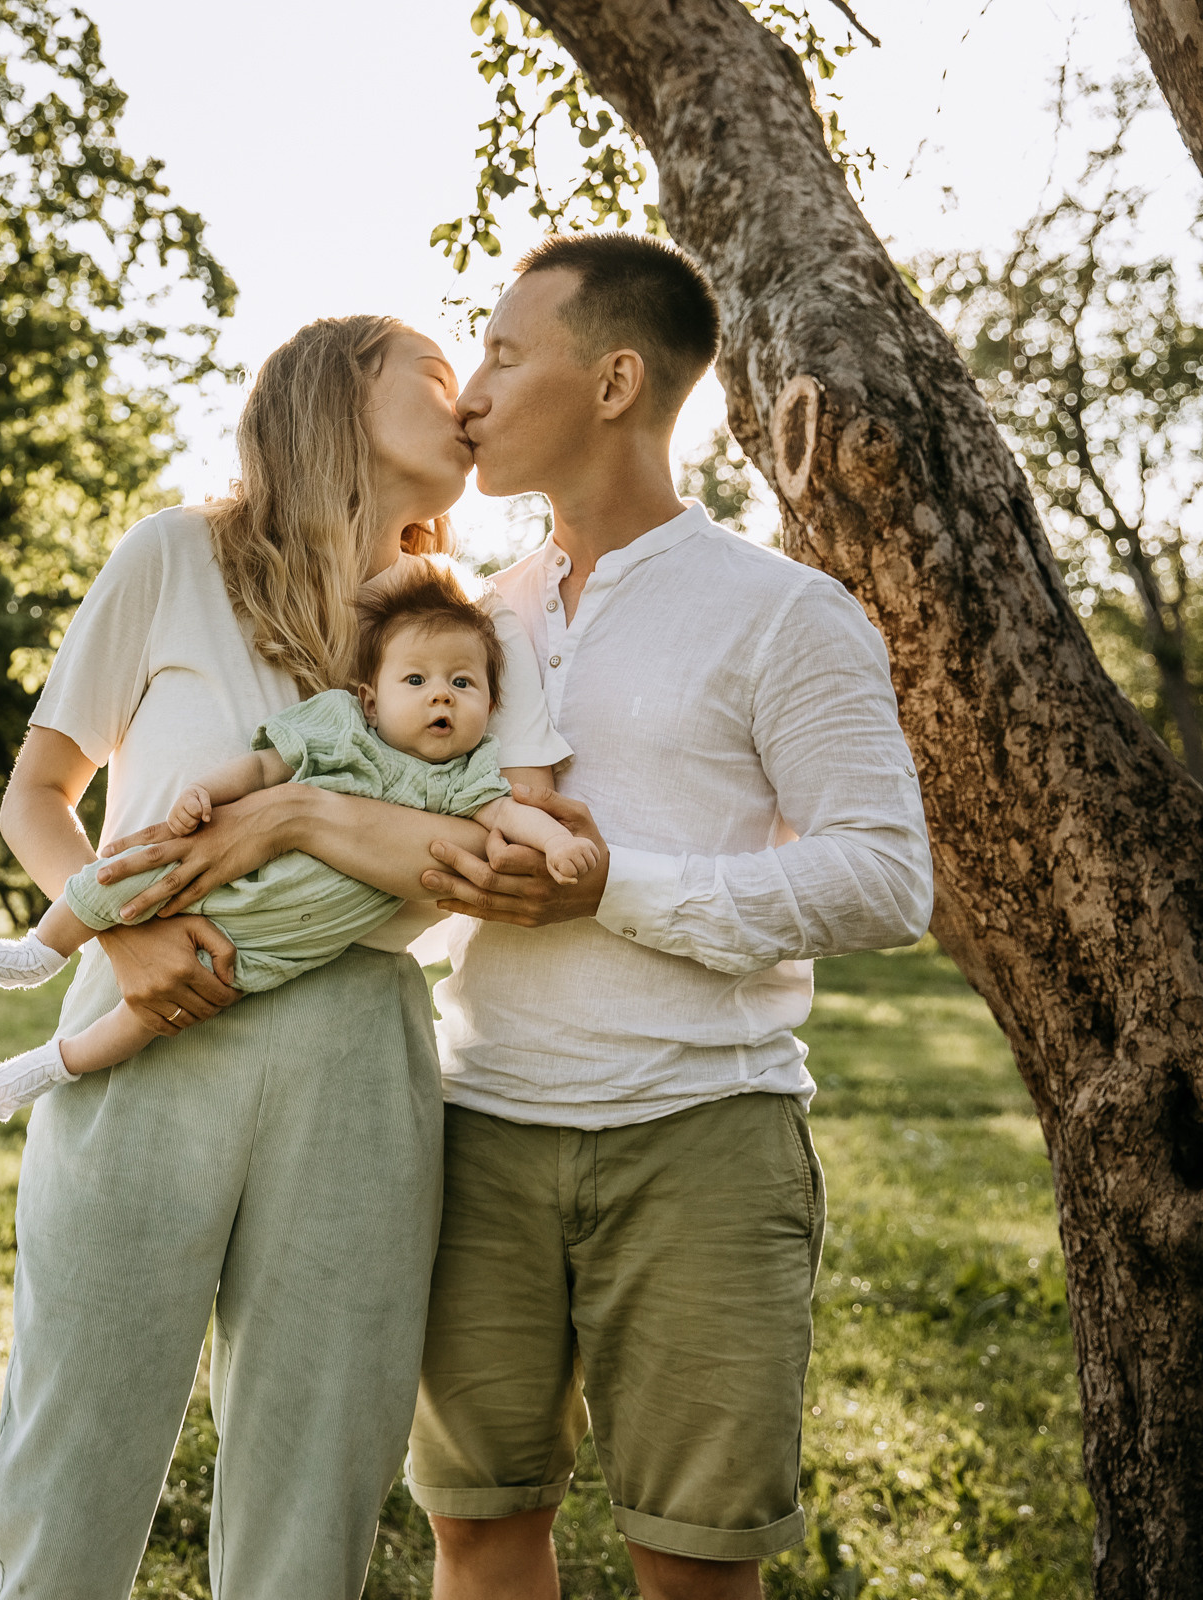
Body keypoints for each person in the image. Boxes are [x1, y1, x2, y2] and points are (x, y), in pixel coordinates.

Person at [96, 235, 934, 1600]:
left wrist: (617, 885)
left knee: (695, 1561)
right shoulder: (469, 621)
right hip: (477, 1133)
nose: (470, 392)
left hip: (703, 1135)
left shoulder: (783, 614)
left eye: (498, 353)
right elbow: (393, 836)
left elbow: (885, 878)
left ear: (612, 381)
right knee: (479, 1537)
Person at [0, 313, 569, 1600]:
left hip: (359, 1050)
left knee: (319, 1461)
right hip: (149, 1025)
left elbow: (471, 864)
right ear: (334, 393)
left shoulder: (460, 630)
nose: (464, 397)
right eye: (430, 372)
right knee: (76, 1435)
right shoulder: (173, 555)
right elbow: (39, 796)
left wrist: (322, 820)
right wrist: (126, 936)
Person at [0, 558, 594, 1120]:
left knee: (153, 1017)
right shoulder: (342, 728)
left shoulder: (468, 775)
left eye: (463, 685)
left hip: (281, 944)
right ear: (369, 701)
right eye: (417, 682)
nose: (441, 698)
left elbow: (511, 818)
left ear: (488, 704)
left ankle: (52, 1066)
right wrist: (205, 793)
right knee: (118, 879)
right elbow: (265, 767)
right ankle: (40, 951)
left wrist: (559, 845)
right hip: (221, 886)